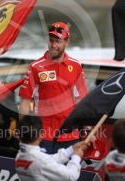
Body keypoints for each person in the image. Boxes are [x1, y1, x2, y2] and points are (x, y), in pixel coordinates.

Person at [19, 21, 88, 153]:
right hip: (43, 135)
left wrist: (87, 127)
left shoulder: (76, 66)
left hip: (70, 135)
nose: (53, 45)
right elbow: (25, 101)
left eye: (58, 41)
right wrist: (24, 131)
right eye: (51, 40)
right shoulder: (35, 66)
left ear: (67, 41)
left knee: (67, 174)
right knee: (42, 173)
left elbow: (82, 99)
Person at [15, 115, 90, 181]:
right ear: (42, 134)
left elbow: (49, 160)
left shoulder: (20, 156)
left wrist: (72, 149)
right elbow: (71, 176)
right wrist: (76, 157)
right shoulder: (40, 160)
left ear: (18, 135)